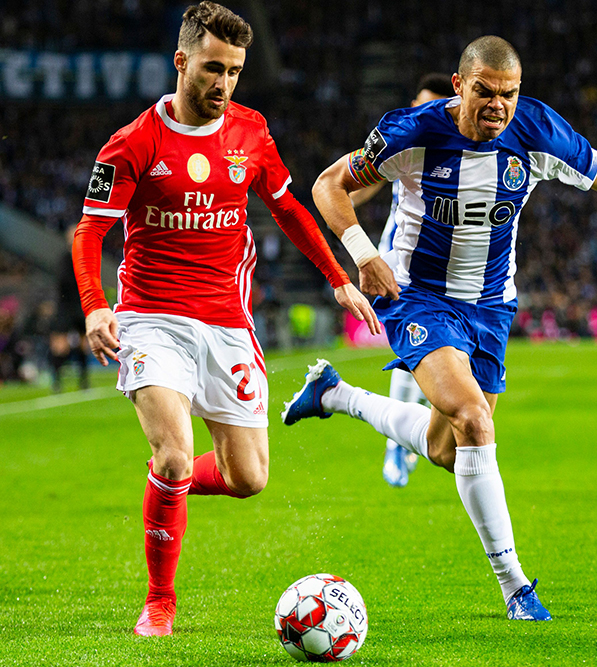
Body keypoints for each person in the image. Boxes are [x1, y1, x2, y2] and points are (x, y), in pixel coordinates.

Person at [283, 35, 597, 621]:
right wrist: (361, 251)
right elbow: (329, 184)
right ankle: (516, 587)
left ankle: (336, 395)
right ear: (459, 87)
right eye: (485, 92)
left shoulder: (538, 131)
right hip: (418, 297)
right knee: (475, 420)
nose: (498, 106)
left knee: (447, 450)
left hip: (492, 307)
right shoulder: (414, 131)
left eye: (509, 94)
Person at [73, 2, 377, 637]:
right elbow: (91, 231)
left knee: (249, 478)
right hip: (150, 319)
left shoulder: (250, 131)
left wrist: (340, 278)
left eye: (235, 72)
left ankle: (166, 484)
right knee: (178, 453)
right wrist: (96, 305)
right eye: (213, 68)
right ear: (182, 62)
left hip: (227, 323)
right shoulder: (131, 144)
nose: (224, 84)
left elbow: (289, 206)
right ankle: (160, 601)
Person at [349, 73, 455, 488]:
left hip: (450, 271)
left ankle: (407, 432)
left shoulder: (457, 149)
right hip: (400, 262)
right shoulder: (406, 143)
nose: (421, 113)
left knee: (439, 364)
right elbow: (359, 183)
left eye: (431, 106)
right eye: (418, 104)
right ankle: (396, 443)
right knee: (414, 354)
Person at [50, 224, 90, 393]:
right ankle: (57, 381)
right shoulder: (65, 259)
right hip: (66, 306)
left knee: (84, 343)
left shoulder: (85, 258)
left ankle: (84, 381)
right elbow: (63, 283)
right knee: (60, 344)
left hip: (81, 305)